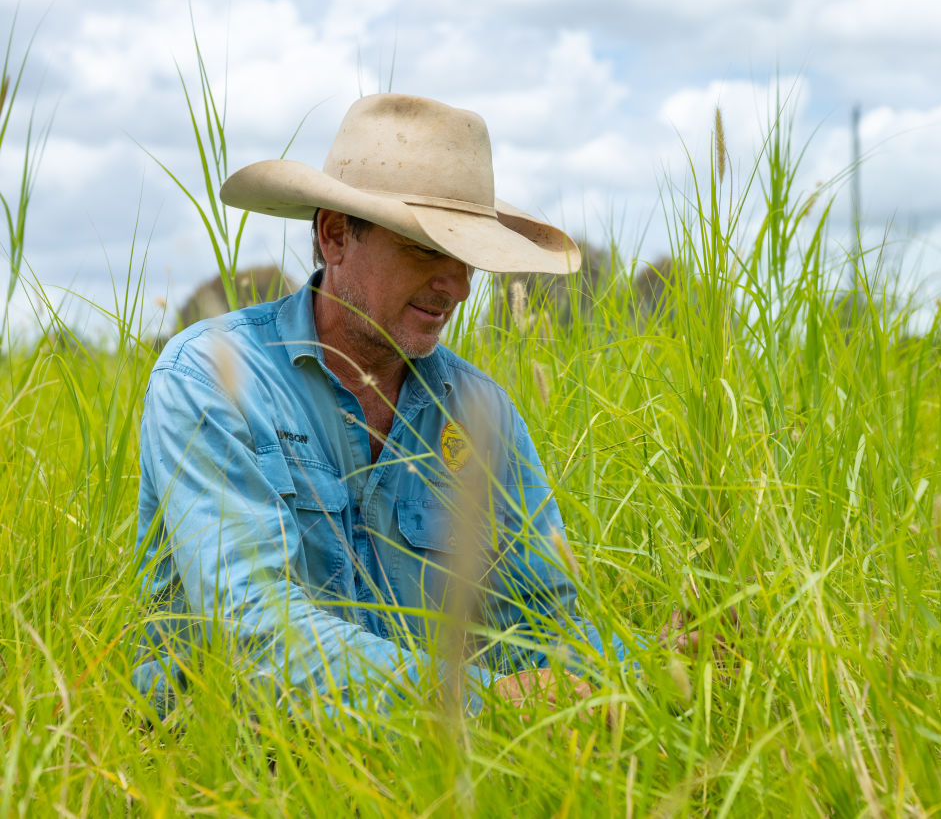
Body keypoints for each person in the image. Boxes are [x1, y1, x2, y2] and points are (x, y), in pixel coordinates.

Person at [133, 94, 625, 716]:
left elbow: (548, 623)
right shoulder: (210, 378)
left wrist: (645, 668)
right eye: (425, 249)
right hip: (227, 772)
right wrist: (483, 703)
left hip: (428, 775)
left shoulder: (482, 414)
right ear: (335, 235)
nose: (458, 285)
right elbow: (252, 628)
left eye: (467, 257)